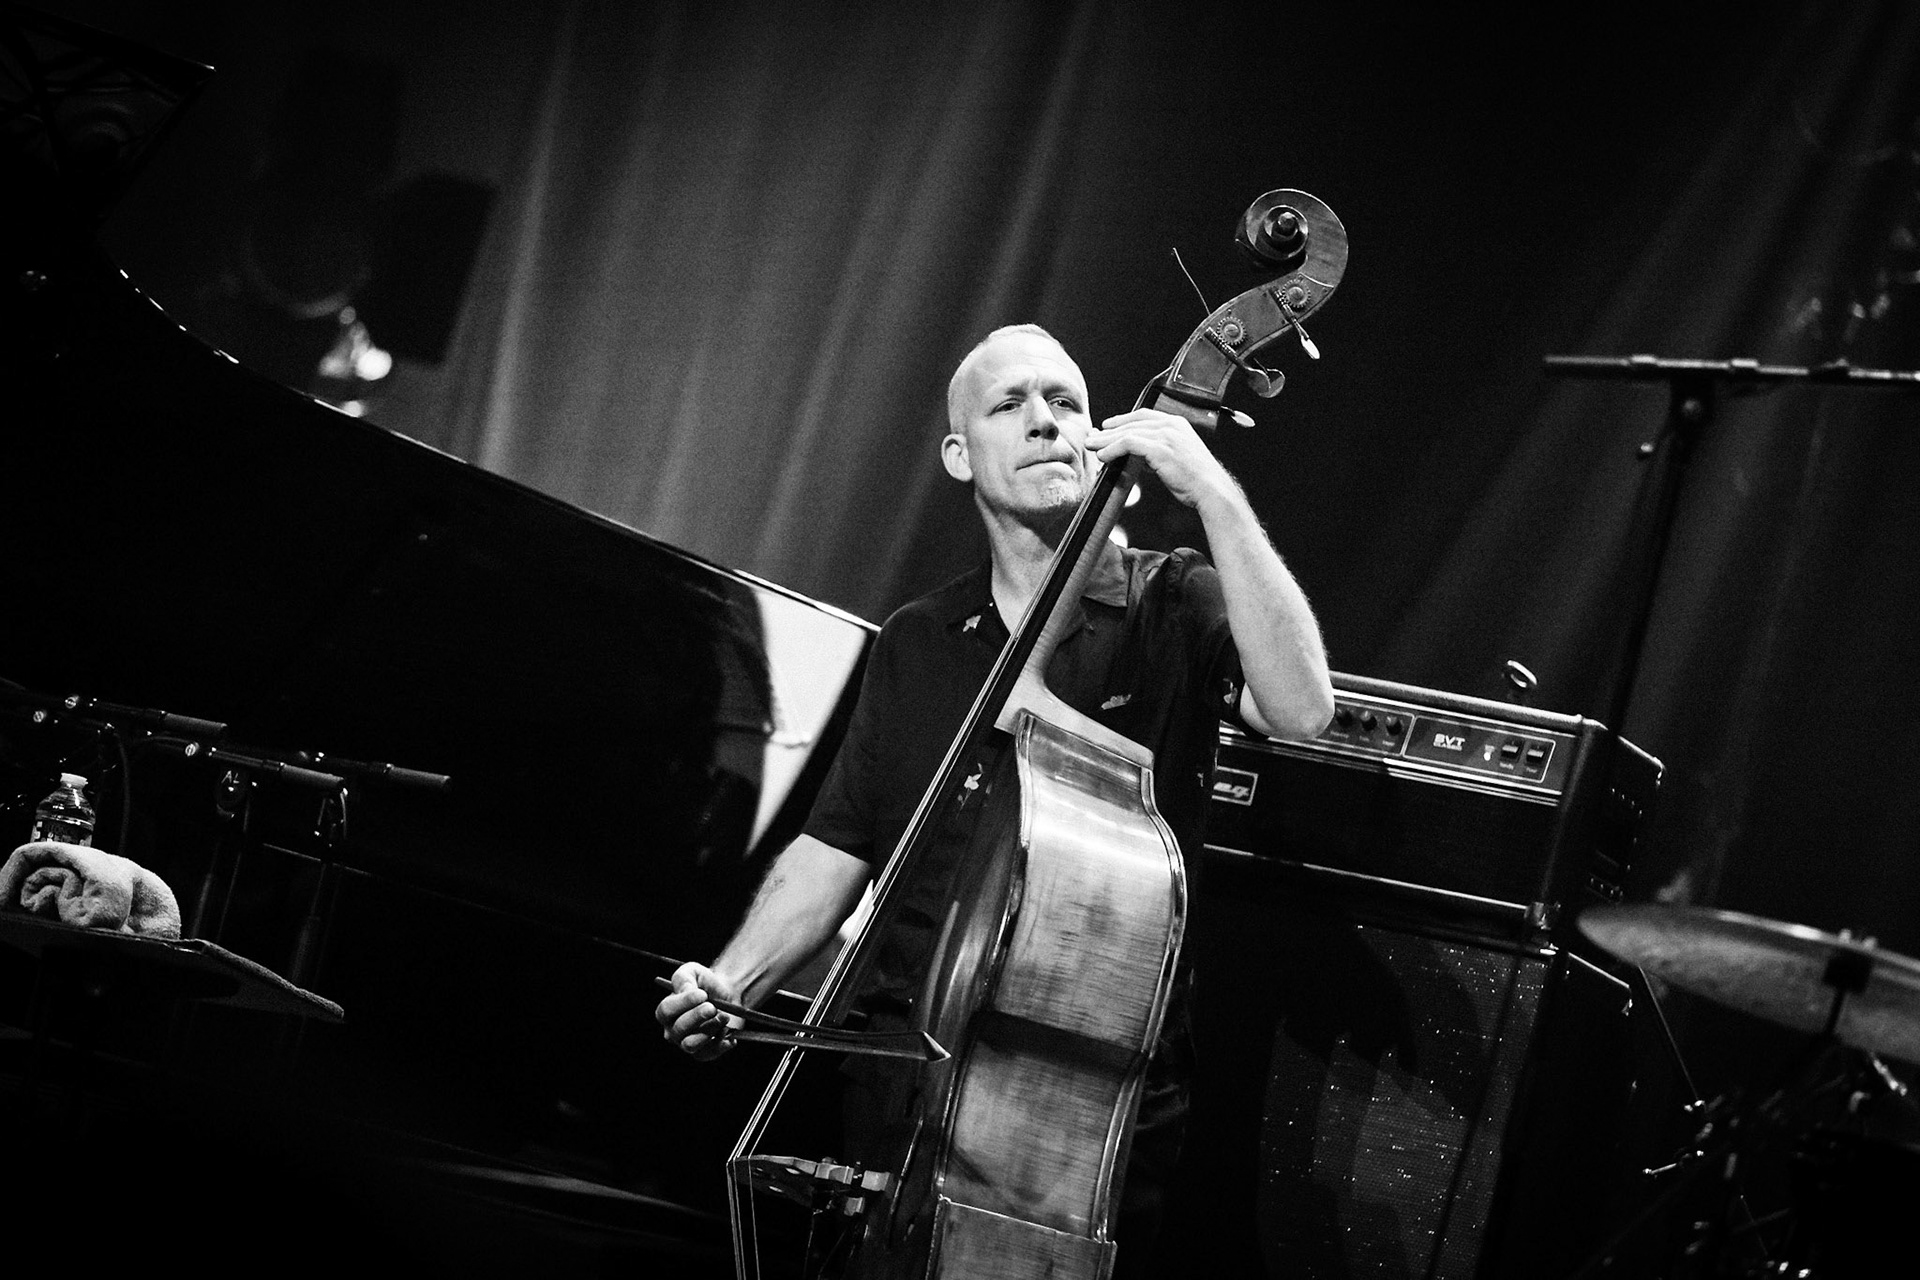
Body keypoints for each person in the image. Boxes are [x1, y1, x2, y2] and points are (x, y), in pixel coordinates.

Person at [654, 323, 1332, 1265]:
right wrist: (735, 983)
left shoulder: (1174, 602)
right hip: (901, 1070)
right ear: (958, 455)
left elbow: (1301, 710)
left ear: (1100, 438)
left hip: (1082, 1099)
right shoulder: (920, 637)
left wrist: (1215, 494)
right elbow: (838, 844)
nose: (1044, 421)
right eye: (1009, 405)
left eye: (1065, 402)